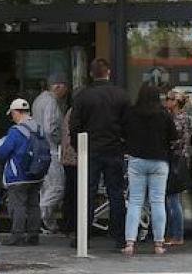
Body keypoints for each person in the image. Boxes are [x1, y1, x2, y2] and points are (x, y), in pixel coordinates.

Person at [69, 57, 130, 250]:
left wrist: (78, 146)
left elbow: (74, 125)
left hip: (90, 149)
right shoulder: (121, 95)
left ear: (91, 74)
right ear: (109, 72)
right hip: (114, 149)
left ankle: (83, 236)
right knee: (116, 193)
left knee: (87, 193)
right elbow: (128, 124)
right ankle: (119, 236)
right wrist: (124, 143)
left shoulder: (83, 96)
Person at [122, 81, 177, 256]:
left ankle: (130, 243)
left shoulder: (131, 113)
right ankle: (159, 244)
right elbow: (173, 137)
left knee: (135, 201)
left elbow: (123, 134)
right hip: (159, 161)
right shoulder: (164, 114)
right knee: (158, 202)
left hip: (137, 160)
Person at [0, 98, 46, 246]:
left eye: (12, 114)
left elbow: (3, 152)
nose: (12, 117)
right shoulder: (39, 128)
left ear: (16, 112)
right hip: (36, 174)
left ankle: (17, 235)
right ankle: (33, 235)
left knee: (18, 206)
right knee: (34, 205)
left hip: (18, 175)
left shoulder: (16, 131)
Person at [31, 72, 69, 235]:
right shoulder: (52, 102)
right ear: (58, 86)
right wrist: (60, 140)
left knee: (46, 188)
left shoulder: (38, 100)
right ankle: (41, 216)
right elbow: (50, 127)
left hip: (39, 149)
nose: (66, 92)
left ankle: (47, 223)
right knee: (57, 187)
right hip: (51, 149)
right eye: (65, 88)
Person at [164, 89, 192, 246]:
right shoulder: (185, 118)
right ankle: (173, 234)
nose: (166, 101)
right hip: (181, 160)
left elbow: (174, 141)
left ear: (175, 102)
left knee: (173, 199)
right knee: (173, 198)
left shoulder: (177, 119)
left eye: (169, 98)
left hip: (175, 160)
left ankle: (176, 234)